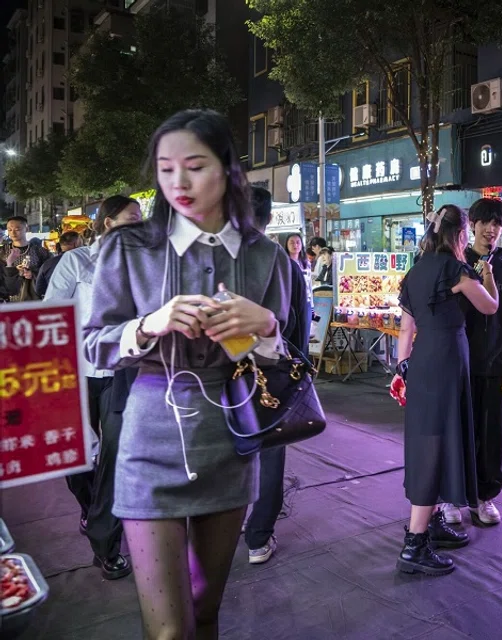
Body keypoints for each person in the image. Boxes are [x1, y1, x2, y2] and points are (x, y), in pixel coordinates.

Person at [83, 109, 292, 639]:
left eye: (194, 166)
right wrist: (148, 324)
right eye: (166, 168)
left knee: (206, 613)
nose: (178, 181)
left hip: (229, 438)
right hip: (149, 437)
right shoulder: (127, 249)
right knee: (170, 631)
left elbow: (280, 359)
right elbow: (94, 346)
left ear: (227, 170)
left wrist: (265, 326)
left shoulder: (265, 256)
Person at [393, 204, 499, 576]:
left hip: (422, 364)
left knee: (429, 439)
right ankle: (414, 544)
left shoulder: (414, 273)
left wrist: (401, 370)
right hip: (446, 365)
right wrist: (487, 274)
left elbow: (405, 332)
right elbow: (490, 306)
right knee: (435, 447)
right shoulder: (455, 269)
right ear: (459, 235)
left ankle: (432, 523)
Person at [46, 195, 142, 580]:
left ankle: (105, 544)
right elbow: (53, 311)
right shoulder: (76, 261)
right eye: (132, 219)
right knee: (76, 457)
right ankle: (90, 508)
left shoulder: (142, 265)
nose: (139, 224)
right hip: (77, 371)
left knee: (117, 459)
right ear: (107, 223)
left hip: (122, 374)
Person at [439, 198, 502, 527]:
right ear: (471, 225)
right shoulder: (455, 266)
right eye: (485, 223)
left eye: (497, 224)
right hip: (459, 368)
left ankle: (485, 497)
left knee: (493, 437)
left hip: (496, 371)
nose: (491, 230)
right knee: (457, 432)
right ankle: (451, 496)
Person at [244, 186, 311, 565]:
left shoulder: (217, 258)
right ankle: (258, 537)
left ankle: (225, 526)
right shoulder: (281, 261)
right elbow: (298, 325)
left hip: (219, 376)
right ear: (270, 219)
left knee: (230, 451)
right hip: (271, 374)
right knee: (270, 453)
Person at [1, 216, 51, 301]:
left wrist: (33, 273)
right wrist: (13, 270)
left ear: (26, 228)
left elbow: (50, 273)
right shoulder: (2, 252)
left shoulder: (40, 251)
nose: (13, 233)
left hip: (34, 298)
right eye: (9, 230)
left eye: (17, 229)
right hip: (9, 300)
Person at [35, 231, 82, 298]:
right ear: (76, 243)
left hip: (55, 304)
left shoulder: (47, 264)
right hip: (79, 304)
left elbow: (39, 290)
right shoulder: (83, 262)